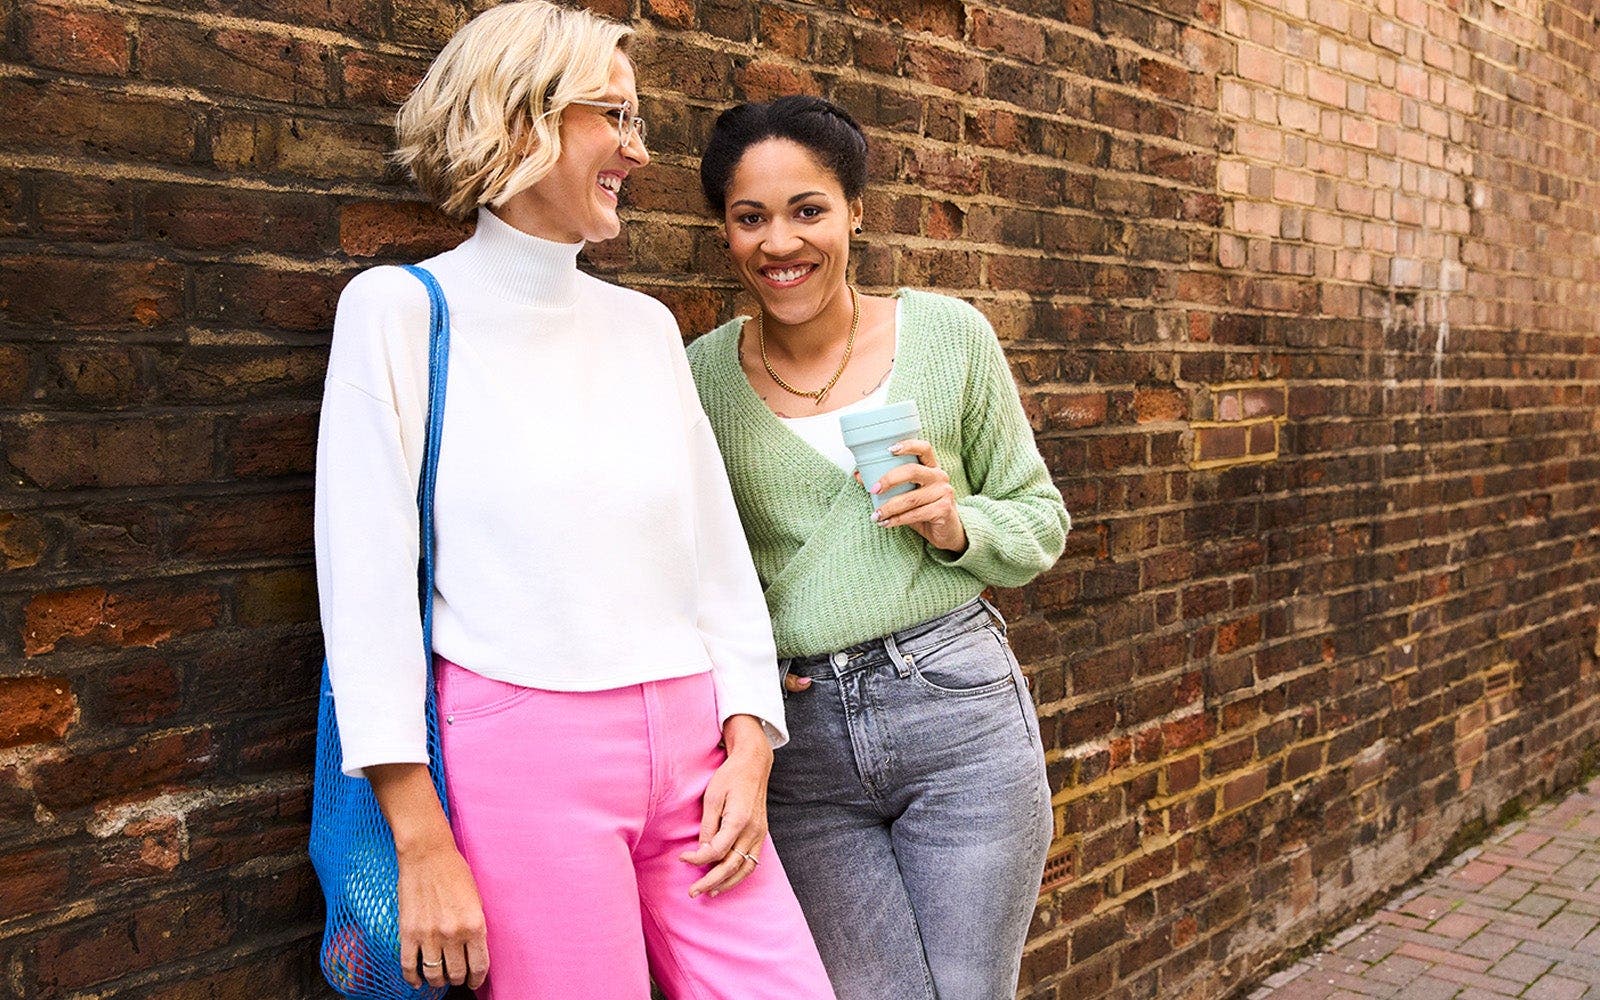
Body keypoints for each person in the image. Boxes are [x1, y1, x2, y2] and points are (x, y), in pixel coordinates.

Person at [314, 7, 835, 998]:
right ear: (522, 120)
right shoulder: (398, 313)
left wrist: (749, 736)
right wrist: (419, 839)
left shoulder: (644, 328)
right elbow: (366, 591)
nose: (639, 151)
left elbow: (713, 554)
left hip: (696, 750)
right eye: (616, 116)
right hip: (522, 758)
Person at [686, 95, 1071, 1000]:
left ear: (855, 211)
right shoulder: (698, 375)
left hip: (957, 712)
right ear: (726, 232)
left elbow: (1041, 518)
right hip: (801, 745)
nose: (780, 243)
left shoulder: (949, 336)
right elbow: (691, 565)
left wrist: (956, 520)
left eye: (808, 210)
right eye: (751, 219)